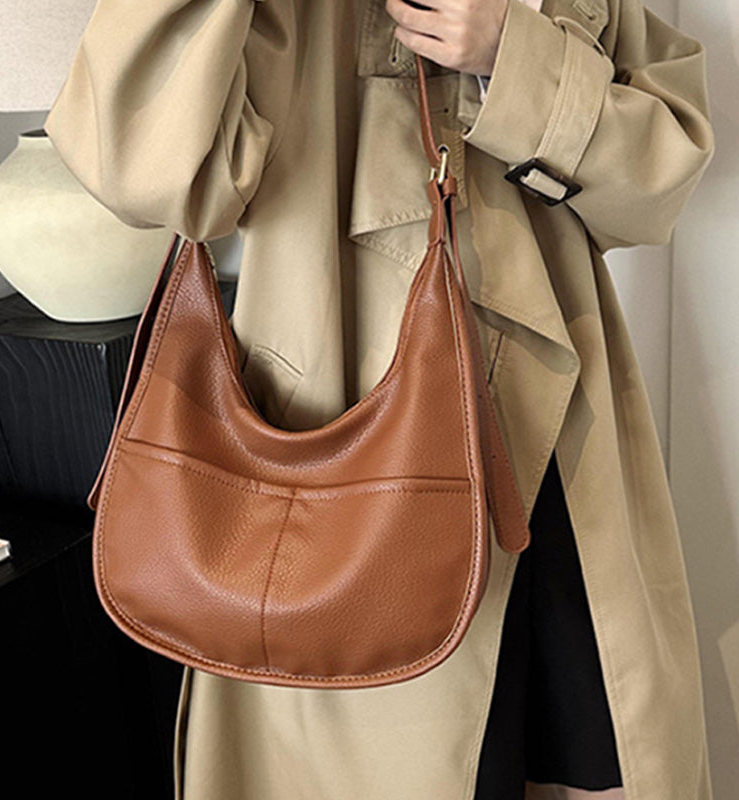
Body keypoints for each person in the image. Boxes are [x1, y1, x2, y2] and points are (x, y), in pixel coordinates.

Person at [44, 0, 716, 797]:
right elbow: (143, 171)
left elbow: (658, 183)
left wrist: (512, 56)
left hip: (558, 445)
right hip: (334, 453)